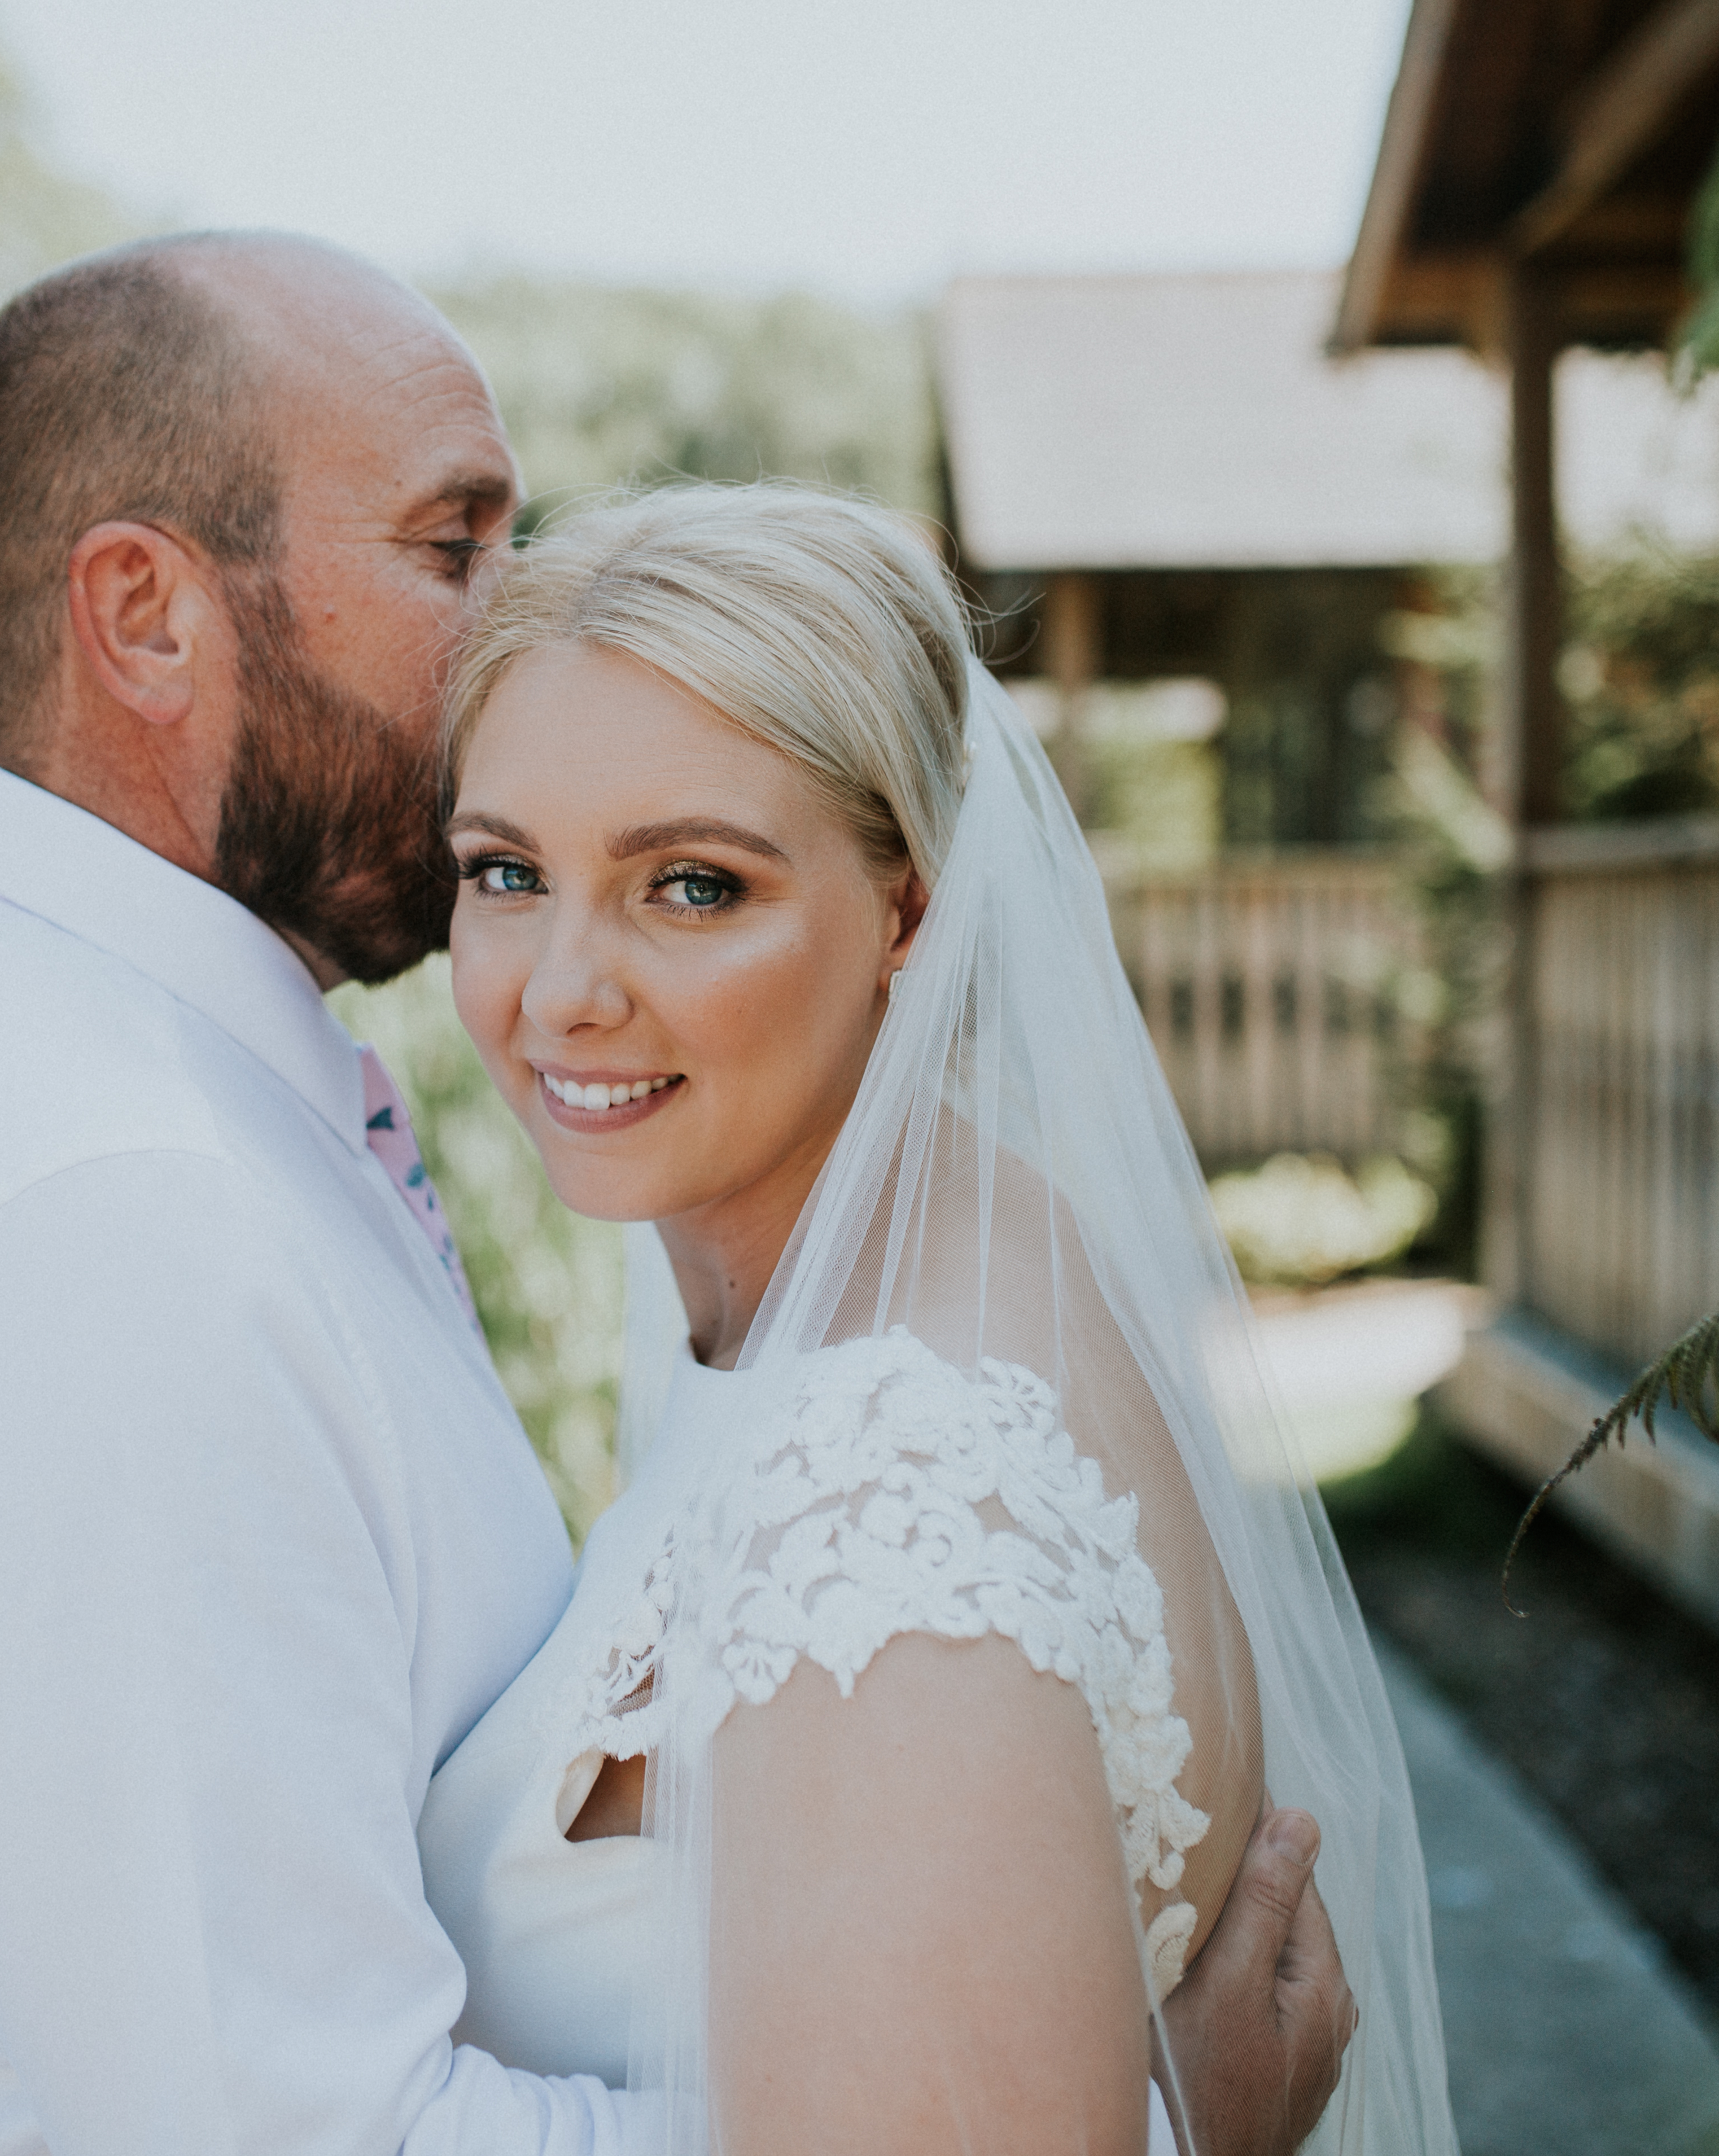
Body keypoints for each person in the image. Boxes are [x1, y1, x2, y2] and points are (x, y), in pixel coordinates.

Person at [0, 230, 1354, 2153]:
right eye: (454, 544)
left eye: (691, 879)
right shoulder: (94, 1217)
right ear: (149, 616)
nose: (522, 616)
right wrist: (1131, 2124)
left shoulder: (22, 1022)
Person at [419, 484, 1453, 2154]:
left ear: (908, 904)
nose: (559, 989)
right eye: (505, 870)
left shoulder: (887, 1498)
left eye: (689, 886)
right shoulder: (934, 1253)